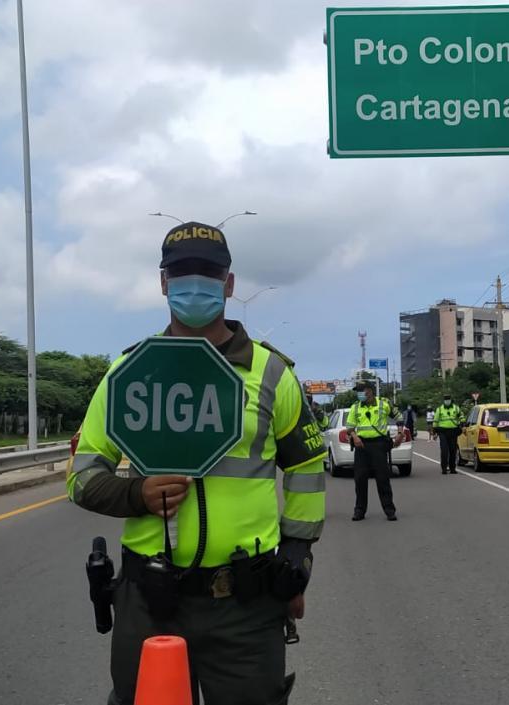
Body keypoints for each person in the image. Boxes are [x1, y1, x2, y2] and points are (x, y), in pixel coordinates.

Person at [67, 220, 326, 705]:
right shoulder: (128, 373)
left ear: (228, 284)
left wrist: (296, 560)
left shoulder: (271, 373)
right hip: (150, 602)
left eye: (207, 273)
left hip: (246, 604)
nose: (194, 284)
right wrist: (135, 495)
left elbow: (307, 468)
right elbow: (81, 478)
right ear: (164, 284)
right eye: (181, 274)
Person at [345, 382, 399, 521]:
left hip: (379, 445)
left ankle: (389, 510)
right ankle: (359, 511)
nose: (359, 394)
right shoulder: (355, 407)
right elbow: (350, 427)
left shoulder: (383, 404)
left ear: (369, 391)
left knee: (383, 478)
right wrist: (355, 437)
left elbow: (399, 417)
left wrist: (400, 434)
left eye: (361, 391)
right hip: (361, 445)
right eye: (358, 391)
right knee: (360, 479)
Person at [433, 395, 465, 474]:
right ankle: (444, 468)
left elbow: (461, 416)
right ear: (444, 401)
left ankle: (452, 468)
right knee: (444, 450)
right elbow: (435, 421)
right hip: (442, 431)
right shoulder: (439, 409)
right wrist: (434, 433)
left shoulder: (456, 408)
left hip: (453, 431)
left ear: (451, 400)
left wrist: (463, 424)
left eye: (448, 399)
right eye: (446, 400)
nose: (447, 401)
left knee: (453, 450)